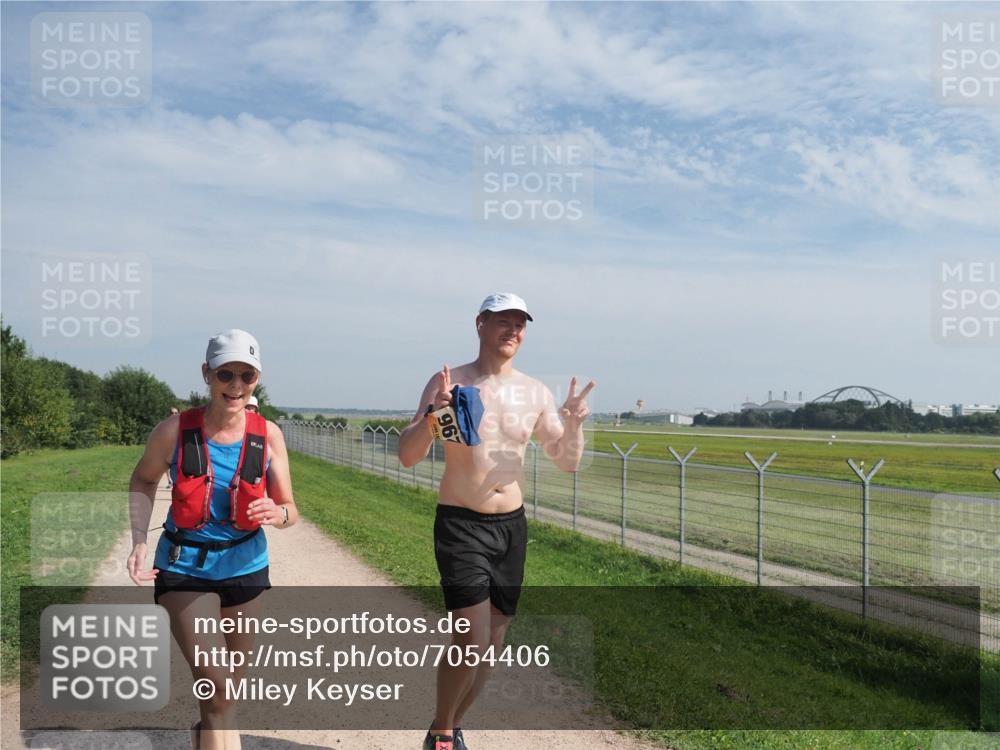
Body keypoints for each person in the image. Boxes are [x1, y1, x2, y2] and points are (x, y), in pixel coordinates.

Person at [398, 293, 594, 750]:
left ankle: (447, 724)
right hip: (461, 524)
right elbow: (408, 457)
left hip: (510, 527)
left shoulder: (534, 392)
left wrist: (574, 424)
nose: (513, 331)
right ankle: (443, 733)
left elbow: (566, 462)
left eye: (520, 324)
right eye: (503, 321)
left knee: (492, 643)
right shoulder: (452, 383)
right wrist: (433, 415)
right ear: (480, 324)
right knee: (471, 637)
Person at [127, 329, 298, 750]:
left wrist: (279, 514)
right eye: (226, 375)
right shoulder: (173, 432)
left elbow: (291, 508)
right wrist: (138, 541)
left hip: (246, 568)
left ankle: (204, 736)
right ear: (207, 374)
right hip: (186, 570)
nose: (236, 386)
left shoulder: (269, 435)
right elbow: (143, 480)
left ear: (256, 379)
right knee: (218, 687)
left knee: (223, 697)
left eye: (247, 376)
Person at [165, 408, 179, 488]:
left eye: (175, 413)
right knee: (167, 466)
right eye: (172, 413)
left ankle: (175, 481)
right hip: (168, 447)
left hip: (178, 448)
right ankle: (170, 480)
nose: (174, 414)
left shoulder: (182, 423)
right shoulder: (165, 424)